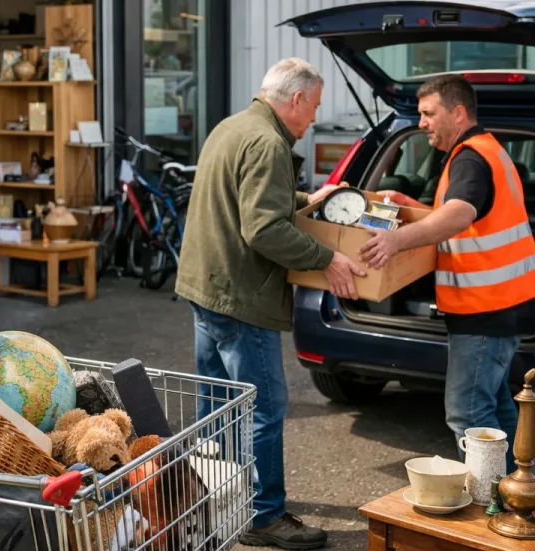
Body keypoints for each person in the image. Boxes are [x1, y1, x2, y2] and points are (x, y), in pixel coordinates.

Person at [174, 57, 364, 550]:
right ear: (296, 99)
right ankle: (264, 516)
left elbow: (252, 195)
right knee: (263, 407)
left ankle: (214, 501)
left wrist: (308, 196)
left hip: (205, 289)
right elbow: (264, 228)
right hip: (241, 298)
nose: (314, 117)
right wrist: (330, 260)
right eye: (315, 106)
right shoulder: (269, 142)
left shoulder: (234, 127)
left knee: (217, 407)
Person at [359, 74, 535, 474]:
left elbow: (460, 214)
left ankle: (488, 507)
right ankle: (520, 490)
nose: (421, 123)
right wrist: (409, 203)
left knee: (467, 413)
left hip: (485, 310)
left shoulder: (470, 157)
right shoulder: (487, 150)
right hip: (505, 305)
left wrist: (395, 242)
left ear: (457, 113)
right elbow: (467, 214)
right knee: (493, 405)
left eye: (427, 113)